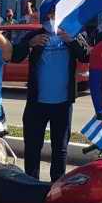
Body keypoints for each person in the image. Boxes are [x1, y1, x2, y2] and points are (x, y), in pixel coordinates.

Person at [13, 12, 91, 180]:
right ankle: (31, 188)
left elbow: (86, 55)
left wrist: (72, 40)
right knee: (32, 148)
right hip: (37, 104)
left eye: (55, 12)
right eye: (49, 14)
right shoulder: (35, 35)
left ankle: (57, 189)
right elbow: (15, 56)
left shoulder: (73, 33)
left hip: (62, 104)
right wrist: (29, 44)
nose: (52, 17)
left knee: (60, 149)